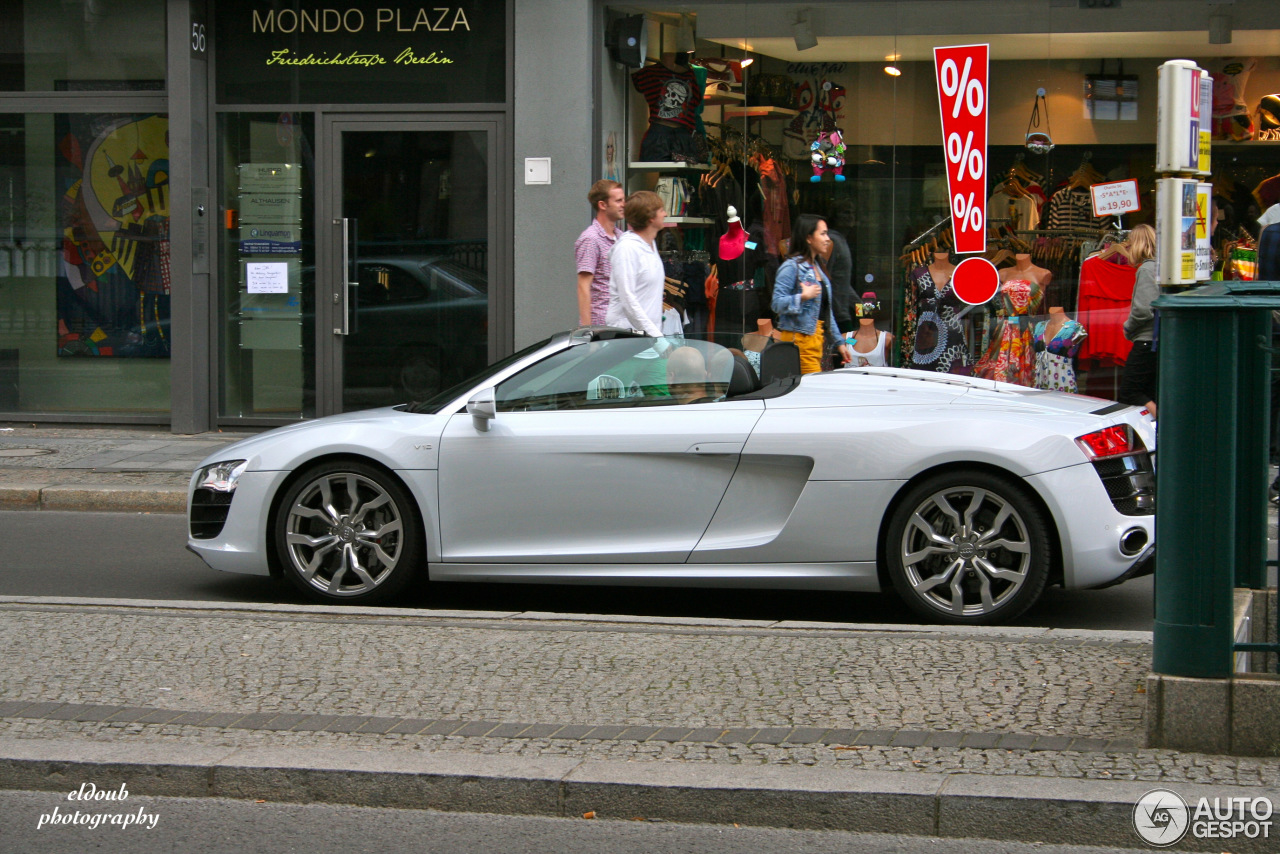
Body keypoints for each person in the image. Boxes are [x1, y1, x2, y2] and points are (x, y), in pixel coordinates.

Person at [771, 214, 853, 374]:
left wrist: (840, 344)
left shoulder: (819, 268)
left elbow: (827, 313)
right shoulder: (791, 267)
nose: (828, 239)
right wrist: (802, 297)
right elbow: (776, 303)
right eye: (822, 233)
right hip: (800, 342)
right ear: (809, 238)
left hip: (815, 342)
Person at [606, 190, 667, 337]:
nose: (665, 214)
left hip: (647, 338)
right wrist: (656, 337)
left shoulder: (650, 243)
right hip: (626, 338)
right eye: (661, 210)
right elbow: (628, 299)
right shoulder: (627, 249)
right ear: (650, 217)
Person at [1119, 224, 1159, 417]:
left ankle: (1164, 421)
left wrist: (1128, 327)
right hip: (1157, 339)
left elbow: (1143, 309)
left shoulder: (1146, 269)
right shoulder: (1160, 268)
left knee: (1129, 390)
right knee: (1150, 390)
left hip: (1146, 341)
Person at [574, 179, 625, 326]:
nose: (623, 205)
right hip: (601, 323)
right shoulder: (590, 239)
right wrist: (587, 330)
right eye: (618, 201)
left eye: (623, 200)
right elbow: (583, 286)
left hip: (622, 322)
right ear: (602, 205)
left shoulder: (621, 237)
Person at [847, 291, 893, 367]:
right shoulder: (847, 337)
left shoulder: (887, 338)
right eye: (864, 302)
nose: (867, 306)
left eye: (870, 303)